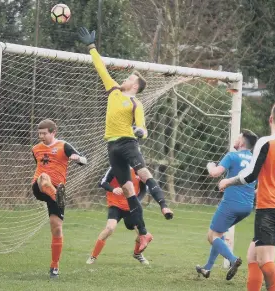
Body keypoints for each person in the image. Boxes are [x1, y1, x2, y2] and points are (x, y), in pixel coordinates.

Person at [77, 27, 173, 253]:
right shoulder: (113, 91)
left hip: (129, 143)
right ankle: (143, 234)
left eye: (129, 78)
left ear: (136, 86)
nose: (125, 79)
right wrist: (91, 47)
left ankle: (164, 205)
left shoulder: (135, 104)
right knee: (129, 191)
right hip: (112, 147)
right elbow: (100, 67)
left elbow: (143, 128)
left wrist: (140, 132)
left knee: (144, 174)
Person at [218, 102, 275, 291]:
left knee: (265, 261)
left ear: (270, 119)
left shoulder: (266, 142)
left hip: (268, 211)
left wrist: (228, 181)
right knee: (253, 258)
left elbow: (250, 175)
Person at [196, 129, 258, 280]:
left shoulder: (232, 156)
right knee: (219, 234)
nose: (235, 140)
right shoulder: (256, 160)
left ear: (242, 141)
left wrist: (210, 165)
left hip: (231, 204)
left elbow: (215, 173)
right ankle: (207, 268)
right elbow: (260, 185)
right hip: (247, 207)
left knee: (212, 236)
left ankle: (233, 260)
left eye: (238, 137)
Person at [31, 119, 87, 278]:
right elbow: (39, 166)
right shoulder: (35, 149)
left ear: (53, 132)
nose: (41, 136)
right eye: (39, 133)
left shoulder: (64, 146)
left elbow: (84, 160)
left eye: (44, 133)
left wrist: (77, 157)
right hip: (40, 187)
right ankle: (56, 195)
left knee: (56, 228)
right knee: (43, 176)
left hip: (58, 188)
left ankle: (54, 266)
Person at [86, 167, 150, 265]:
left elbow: (144, 189)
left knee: (142, 234)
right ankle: (93, 256)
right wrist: (113, 189)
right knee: (109, 228)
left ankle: (137, 254)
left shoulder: (138, 170)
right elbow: (103, 183)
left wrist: (137, 200)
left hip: (131, 207)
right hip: (115, 205)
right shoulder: (115, 167)